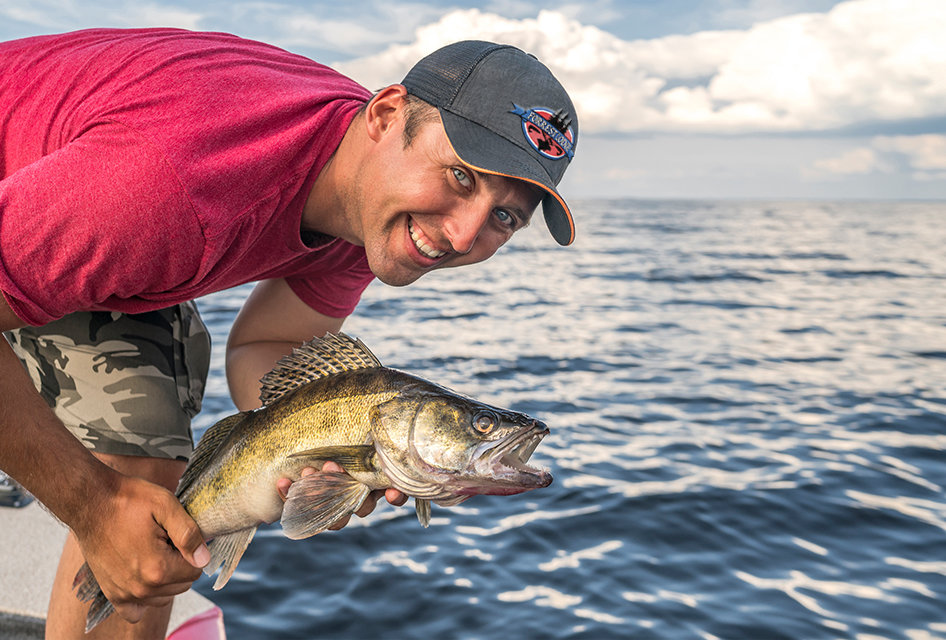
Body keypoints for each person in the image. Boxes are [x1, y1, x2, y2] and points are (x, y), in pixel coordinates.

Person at [0, 28, 579, 639]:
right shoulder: (169, 184)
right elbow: (144, 198)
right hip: (48, 193)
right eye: (461, 177)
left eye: (505, 216)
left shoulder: (369, 210)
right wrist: (92, 506)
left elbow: (265, 346)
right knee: (123, 495)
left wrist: (309, 448)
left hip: (66, 222)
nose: (463, 236)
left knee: (147, 467)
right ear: (385, 115)